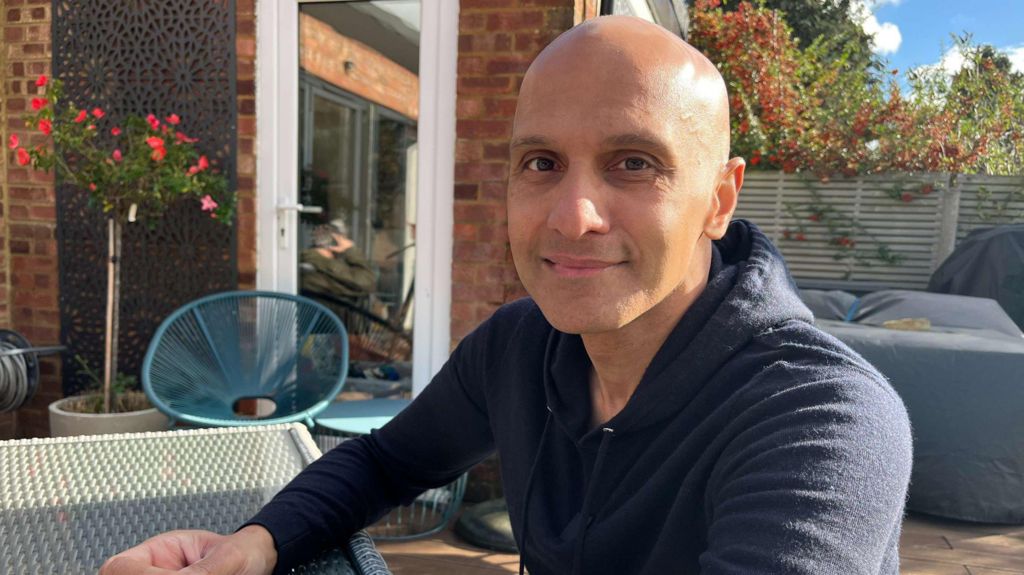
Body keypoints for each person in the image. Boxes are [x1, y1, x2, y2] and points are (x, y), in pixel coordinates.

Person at [100, 15, 912, 575]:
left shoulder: (822, 423)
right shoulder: (520, 347)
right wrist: (257, 541)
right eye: (541, 162)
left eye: (634, 162)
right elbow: (386, 460)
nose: (573, 215)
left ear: (720, 198)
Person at [299, 218, 376, 308]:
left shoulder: (311, 263)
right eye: (342, 238)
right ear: (334, 243)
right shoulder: (315, 269)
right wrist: (350, 250)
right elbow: (366, 282)